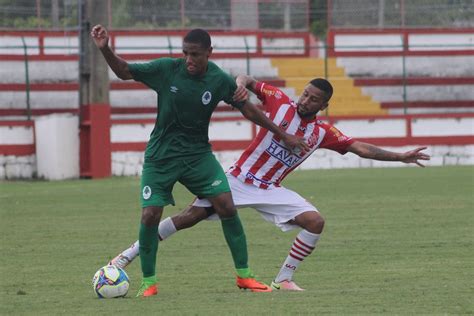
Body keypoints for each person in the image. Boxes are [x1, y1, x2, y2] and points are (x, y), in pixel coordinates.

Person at [108, 75, 431, 291]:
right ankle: (126, 256)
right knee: (189, 218)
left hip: (270, 189)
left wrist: (400, 156)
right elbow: (247, 80)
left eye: (314, 99)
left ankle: (284, 279)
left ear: (323, 105)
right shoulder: (278, 101)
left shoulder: (323, 133)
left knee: (315, 221)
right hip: (237, 179)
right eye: (305, 93)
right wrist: (237, 85)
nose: (305, 100)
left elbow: (360, 148)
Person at [91, 26, 310, 297]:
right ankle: (149, 283)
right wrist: (105, 49)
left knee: (227, 205)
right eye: (185, 53)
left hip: (198, 156)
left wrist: (282, 134)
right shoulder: (167, 69)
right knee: (150, 214)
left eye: (195, 54)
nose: (189, 60)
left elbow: (249, 110)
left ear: (209, 53)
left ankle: (245, 276)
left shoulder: (219, 79)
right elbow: (124, 71)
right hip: (161, 156)